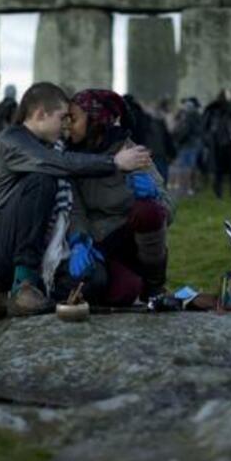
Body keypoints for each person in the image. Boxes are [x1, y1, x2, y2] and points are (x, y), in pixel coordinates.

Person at [0, 82, 152, 317]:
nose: (65, 124)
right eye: (61, 117)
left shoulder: (52, 147)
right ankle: (23, 286)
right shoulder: (12, 140)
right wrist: (114, 163)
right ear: (41, 114)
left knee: (95, 279)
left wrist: (78, 241)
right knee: (42, 179)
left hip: (41, 253)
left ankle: (6, 301)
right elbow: (55, 163)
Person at [64, 89, 175, 305]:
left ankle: (154, 284)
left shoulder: (130, 151)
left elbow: (169, 209)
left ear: (96, 120)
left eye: (74, 119)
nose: (68, 125)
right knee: (124, 293)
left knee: (149, 210)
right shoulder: (71, 157)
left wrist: (154, 195)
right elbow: (75, 209)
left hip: (132, 241)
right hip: (99, 244)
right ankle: (133, 281)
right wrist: (79, 240)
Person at [202, 89, 231, 198]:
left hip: (230, 143)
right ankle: (218, 193)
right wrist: (208, 139)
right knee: (218, 171)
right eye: (228, 93)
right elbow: (205, 125)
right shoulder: (213, 109)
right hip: (217, 144)